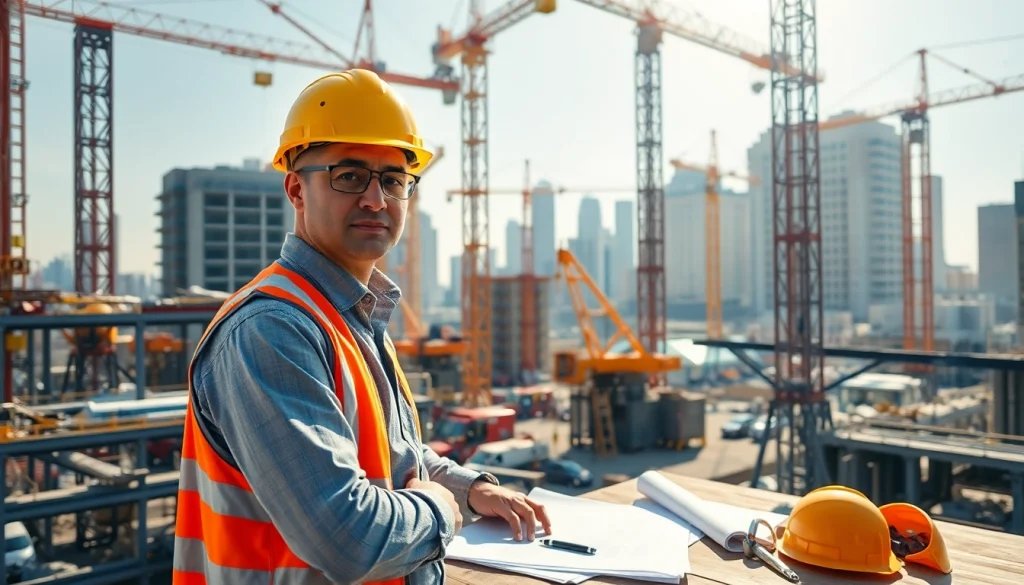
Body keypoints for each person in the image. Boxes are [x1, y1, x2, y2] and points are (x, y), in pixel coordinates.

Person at [172, 69, 553, 585]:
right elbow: (349, 538)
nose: (376, 199)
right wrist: (440, 509)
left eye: (394, 180)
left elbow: (396, 459)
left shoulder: (353, 314)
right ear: (295, 190)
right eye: (349, 176)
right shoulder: (271, 330)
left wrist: (469, 488)